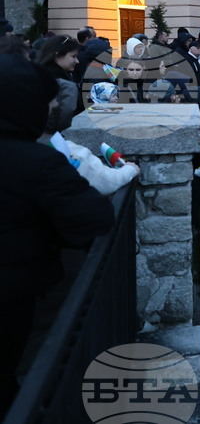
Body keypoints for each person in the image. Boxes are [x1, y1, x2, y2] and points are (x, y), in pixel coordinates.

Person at [0, 54, 114, 410]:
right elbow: (94, 218)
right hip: (18, 295)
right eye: (46, 100)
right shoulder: (37, 160)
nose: (53, 107)